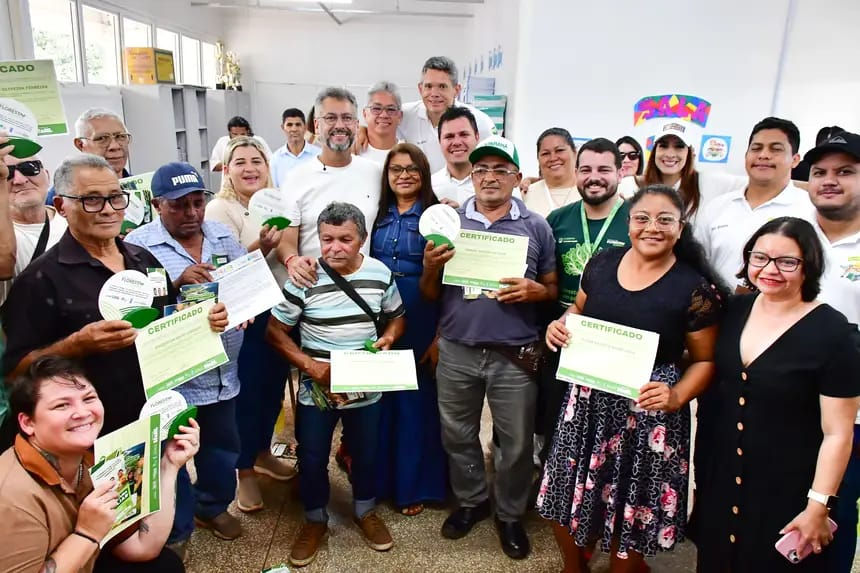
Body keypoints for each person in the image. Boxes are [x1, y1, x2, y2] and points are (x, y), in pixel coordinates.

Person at [539, 184, 725, 572]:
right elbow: (577, 309)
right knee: (564, 492)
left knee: (632, 510)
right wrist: (559, 325)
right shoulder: (602, 263)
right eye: (642, 218)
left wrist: (676, 396)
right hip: (588, 403)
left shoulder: (694, 289)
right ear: (628, 223)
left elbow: (706, 361)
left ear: (680, 227)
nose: (651, 227)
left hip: (647, 412)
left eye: (664, 219)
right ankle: (574, 567)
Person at [1, 154, 229, 435]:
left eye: (116, 197)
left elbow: (167, 321)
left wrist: (201, 321)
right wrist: (75, 345)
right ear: (61, 205)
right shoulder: (41, 279)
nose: (108, 210)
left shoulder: (144, 261)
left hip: (156, 419)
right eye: (92, 199)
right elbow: (13, 373)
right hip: (88, 435)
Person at [689, 217, 860, 572]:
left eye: (787, 262)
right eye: (760, 257)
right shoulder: (733, 313)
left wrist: (818, 505)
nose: (770, 269)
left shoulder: (834, 333)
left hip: (788, 488)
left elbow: (838, 432)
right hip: (723, 478)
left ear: (808, 266)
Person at [419, 136, 558, 560]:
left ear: (517, 177)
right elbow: (430, 294)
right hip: (459, 349)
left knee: (515, 442)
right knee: (457, 433)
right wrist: (429, 268)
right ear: (471, 176)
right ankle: (473, 500)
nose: (490, 177)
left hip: (513, 352)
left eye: (501, 170)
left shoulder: (536, 226)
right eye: (482, 170)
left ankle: (511, 513)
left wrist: (535, 291)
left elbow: (552, 289)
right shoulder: (449, 221)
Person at [266, 202, 406, 567]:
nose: (334, 248)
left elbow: (396, 318)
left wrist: (389, 339)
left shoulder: (379, 273)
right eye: (327, 239)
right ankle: (315, 520)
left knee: (366, 451)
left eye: (345, 239)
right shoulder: (305, 278)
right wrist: (312, 367)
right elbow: (275, 332)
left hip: (365, 379)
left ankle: (365, 511)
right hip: (318, 386)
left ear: (361, 239)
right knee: (311, 456)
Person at [125, 162, 248, 547]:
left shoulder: (222, 235)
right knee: (172, 454)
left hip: (224, 372)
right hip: (176, 376)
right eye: (179, 206)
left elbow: (244, 282)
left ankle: (212, 506)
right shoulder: (139, 246)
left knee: (222, 446)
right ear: (157, 203)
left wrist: (245, 308)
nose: (192, 213)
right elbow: (136, 314)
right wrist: (177, 286)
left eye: (197, 203)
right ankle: (175, 529)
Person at [0, 355, 200, 573]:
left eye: (88, 398)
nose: (83, 413)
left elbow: (142, 548)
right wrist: (87, 532)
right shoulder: (10, 498)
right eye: (62, 405)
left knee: (165, 566)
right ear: (28, 423)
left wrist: (169, 466)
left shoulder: (92, 460)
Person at [204, 136, 296, 512]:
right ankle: (244, 474)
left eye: (256, 160)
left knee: (271, 391)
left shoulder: (276, 202)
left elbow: (291, 245)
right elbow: (221, 269)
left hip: (276, 312)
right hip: (242, 318)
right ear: (227, 169)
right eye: (239, 161)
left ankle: (261, 452)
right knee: (243, 396)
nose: (249, 167)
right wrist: (260, 246)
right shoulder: (219, 209)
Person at [538, 138, 631, 461]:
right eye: (586, 169)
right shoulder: (557, 219)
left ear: (621, 172)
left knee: (608, 431)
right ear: (575, 173)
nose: (595, 177)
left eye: (604, 169)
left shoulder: (637, 220)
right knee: (557, 421)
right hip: (562, 336)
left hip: (614, 339)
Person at [371, 143, 447, 516]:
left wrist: (439, 336)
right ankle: (378, 481)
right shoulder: (377, 215)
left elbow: (450, 286)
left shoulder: (438, 216)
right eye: (396, 169)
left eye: (411, 168)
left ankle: (414, 485)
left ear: (424, 173)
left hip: (421, 315)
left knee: (415, 404)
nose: (403, 175)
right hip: (380, 316)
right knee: (381, 402)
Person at [802, 132, 860, 572]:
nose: (829, 181)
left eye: (845, 172)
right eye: (820, 172)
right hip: (784, 406)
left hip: (849, 414)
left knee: (832, 513)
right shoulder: (791, 235)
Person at [280, 87, 382, 288]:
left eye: (347, 118)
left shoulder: (376, 173)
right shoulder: (295, 178)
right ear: (317, 125)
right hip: (313, 293)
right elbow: (285, 241)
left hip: (365, 292)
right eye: (330, 118)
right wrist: (292, 261)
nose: (340, 125)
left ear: (356, 124)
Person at [696, 117, 814, 288]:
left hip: (779, 311)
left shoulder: (808, 210)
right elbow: (697, 264)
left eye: (775, 149)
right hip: (717, 309)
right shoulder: (718, 207)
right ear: (746, 156)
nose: (763, 155)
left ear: (795, 160)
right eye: (756, 148)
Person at [618, 120, 746, 221]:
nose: (670, 154)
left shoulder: (707, 182)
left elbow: (753, 184)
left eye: (679, 146)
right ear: (654, 151)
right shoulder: (630, 185)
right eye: (663, 146)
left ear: (689, 153)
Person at [395, 56, 496, 171]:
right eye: (428, 86)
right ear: (420, 88)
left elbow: (496, 162)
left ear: (456, 90)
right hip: (421, 188)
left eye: (442, 87)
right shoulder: (405, 115)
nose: (434, 94)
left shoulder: (479, 121)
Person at [0, 149, 68, 306]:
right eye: (7, 174)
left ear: (47, 175)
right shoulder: (5, 238)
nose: (20, 180)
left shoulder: (75, 224)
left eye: (30, 167)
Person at [45, 108, 134, 204]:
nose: (115, 146)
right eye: (102, 138)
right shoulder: (65, 192)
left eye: (121, 136)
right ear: (80, 144)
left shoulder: (144, 186)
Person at [431, 106, 480, 206]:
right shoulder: (429, 186)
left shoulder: (493, 184)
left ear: (477, 137)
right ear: (439, 141)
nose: (457, 142)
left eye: (464, 134)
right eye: (449, 136)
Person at [524, 128, 580, 217]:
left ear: (575, 153)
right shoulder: (526, 193)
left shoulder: (588, 191)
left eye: (559, 150)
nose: (553, 158)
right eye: (545, 153)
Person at [270, 108, 321, 188]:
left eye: (298, 124)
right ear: (283, 127)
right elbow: (274, 189)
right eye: (289, 125)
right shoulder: (275, 159)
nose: (294, 129)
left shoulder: (319, 155)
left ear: (305, 127)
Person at [360, 82, 403, 164]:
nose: (384, 115)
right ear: (365, 114)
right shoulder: (353, 152)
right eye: (376, 108)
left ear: (400, 116)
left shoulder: (410, 154)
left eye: (391, 109)